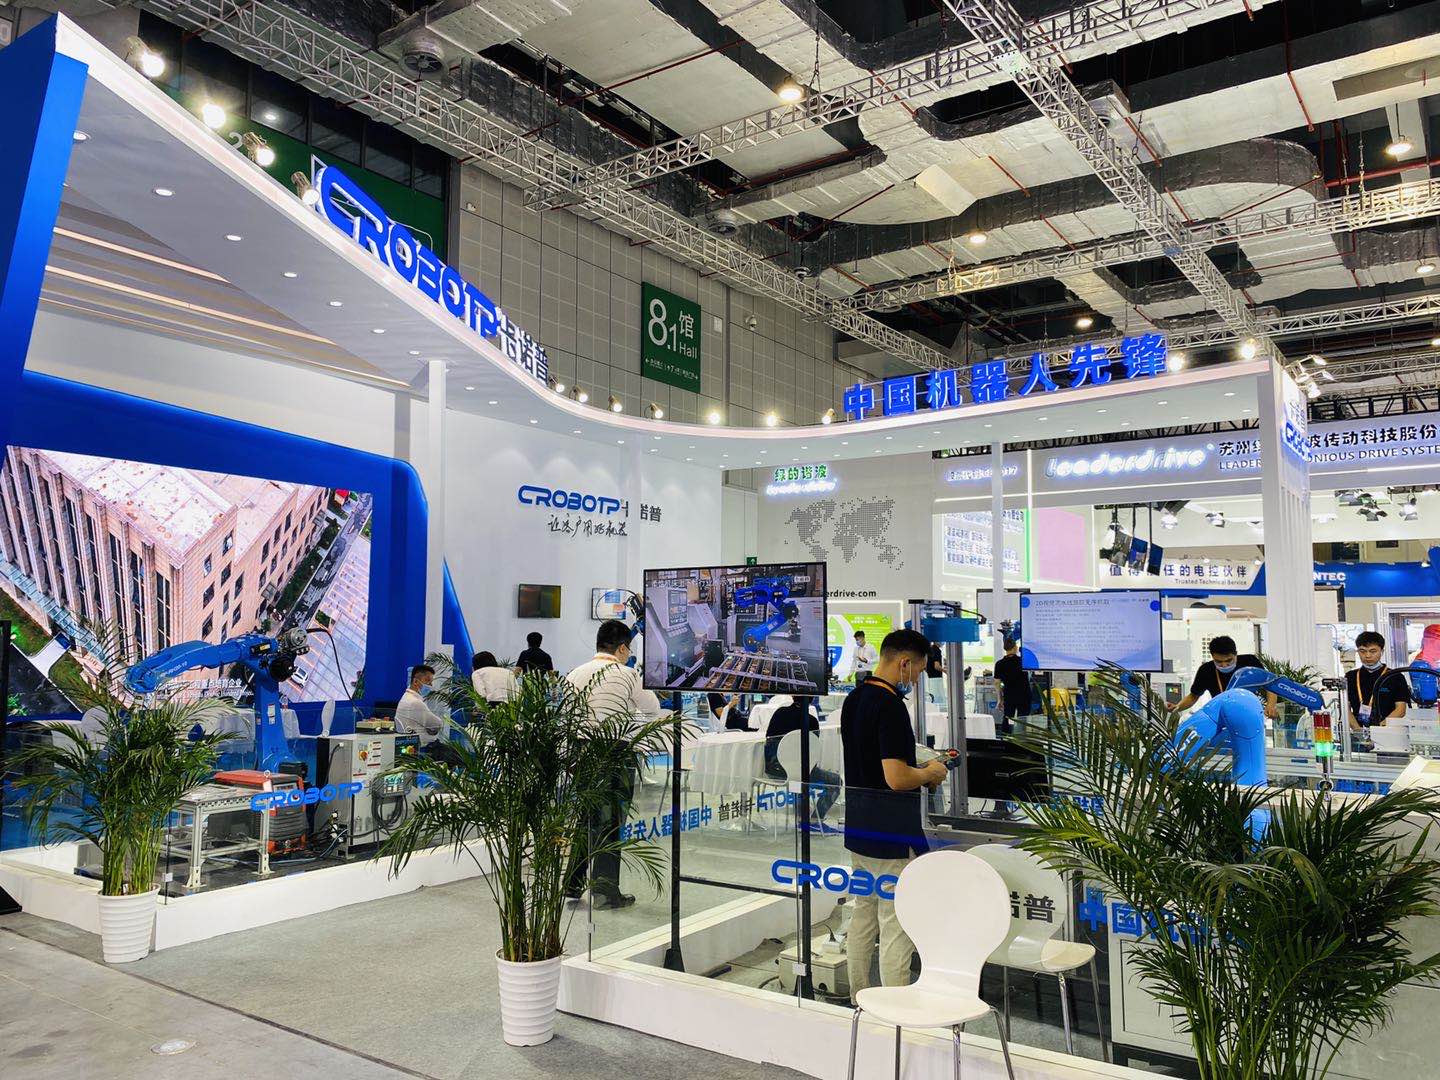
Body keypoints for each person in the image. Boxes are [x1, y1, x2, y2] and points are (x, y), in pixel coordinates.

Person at [841, 629, 949, 998]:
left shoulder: (854, 698)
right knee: (895, 924)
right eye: (917, 671)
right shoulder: (890, 707)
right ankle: (896, 1012)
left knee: (862, 916)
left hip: (859, 828)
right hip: (891, 834)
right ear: (904, 663)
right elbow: (896, 778)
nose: (916, 680)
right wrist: (929, 773)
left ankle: (859, 998)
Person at [564, 619, 662, 908]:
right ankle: (605, 892)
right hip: (614, 753)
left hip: (581, 752)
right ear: (621, 648)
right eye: (627, 649)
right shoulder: (627, 674)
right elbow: (652, 708)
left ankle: (572, 884)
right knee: (611, 822)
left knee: (586, 818)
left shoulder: (575, 673)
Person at [763, 696, 840, 826]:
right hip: (801, 771)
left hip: (774, 771)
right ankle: (815, 820)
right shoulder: (811, 721)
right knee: (836, 781)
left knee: (800, 777)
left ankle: (801, 818)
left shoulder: (779, 714)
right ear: (812, 699)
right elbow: (812, 752)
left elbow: (768, 741)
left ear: (793, 696)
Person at [1172, 635, 1263, 714]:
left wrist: (1270, 704)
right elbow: (1193, 696)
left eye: (1228, 660)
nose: (1224, 665)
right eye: (1219, 661)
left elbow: (1268, 683)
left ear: (1236, 654)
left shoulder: (1250, 662)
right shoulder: (1206, 670)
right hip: (1223, 713)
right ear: (1212, 657)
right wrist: (1177, 707)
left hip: (1251, 711)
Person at [1347, 630, 1411, 730]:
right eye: (1362, 651)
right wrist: (1358, 731)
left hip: (1388, 731)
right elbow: (1345, 708)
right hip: (1358, 732)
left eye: (1373, 651)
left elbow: (1401, 709)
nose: (1367, 655)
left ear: (1382, 651)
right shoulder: (1350, 677)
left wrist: (1378, 729)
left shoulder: (1395, 676)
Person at [394, 664, 444, 745]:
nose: (430, 685)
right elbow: (437, 724)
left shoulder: (406, 697)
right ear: (415, 681)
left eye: (431, 682)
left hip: (412, 743)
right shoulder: (415, 702)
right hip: (422, 747)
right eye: (427, 681)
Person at [993, 638, 1031, 733]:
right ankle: (1022, 737)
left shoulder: (999, 664)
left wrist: (1000, 699)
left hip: (1009, 694)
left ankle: (1005, 737)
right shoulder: (1023, 661)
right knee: (1023, 718)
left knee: (1007, 717)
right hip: (1024, 694)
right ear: (1015, 647)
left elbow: (997, 683)